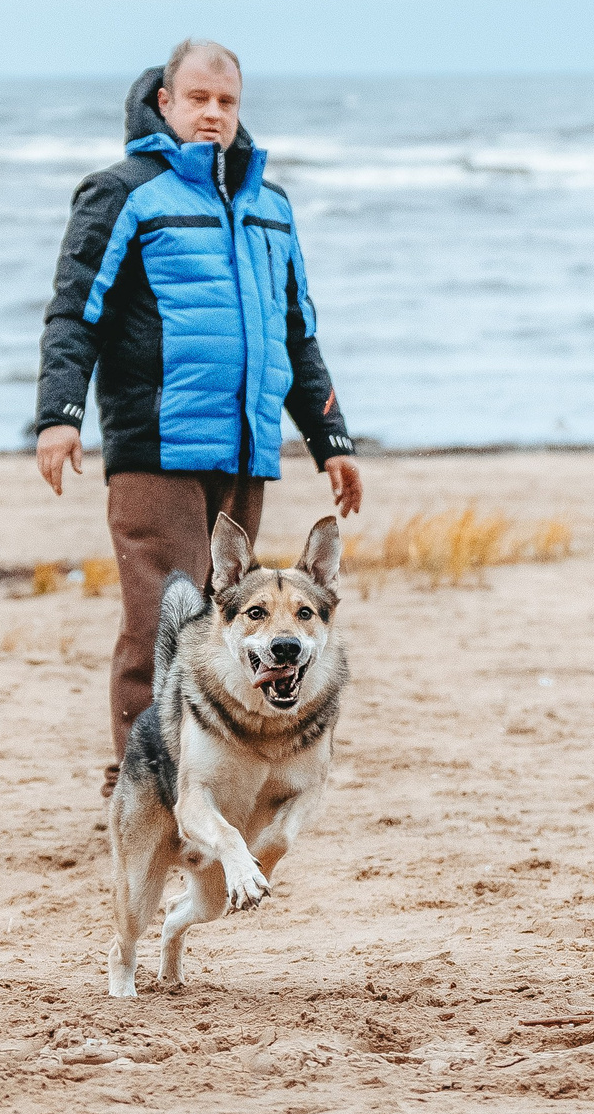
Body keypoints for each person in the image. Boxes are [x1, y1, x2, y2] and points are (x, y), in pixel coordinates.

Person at [34, 39, 362, 794]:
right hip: (157, 446)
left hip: (245, 448)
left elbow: (296, 335)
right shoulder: (122, 193)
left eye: (227, 101)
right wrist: (59, 414)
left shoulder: (270, 206)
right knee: (163, 621)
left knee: (227, 625)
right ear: (165, 102)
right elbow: (75, 313)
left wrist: (330, 438)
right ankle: (141, 784)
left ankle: (209, 780)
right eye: (198, 99)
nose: (213, 113)